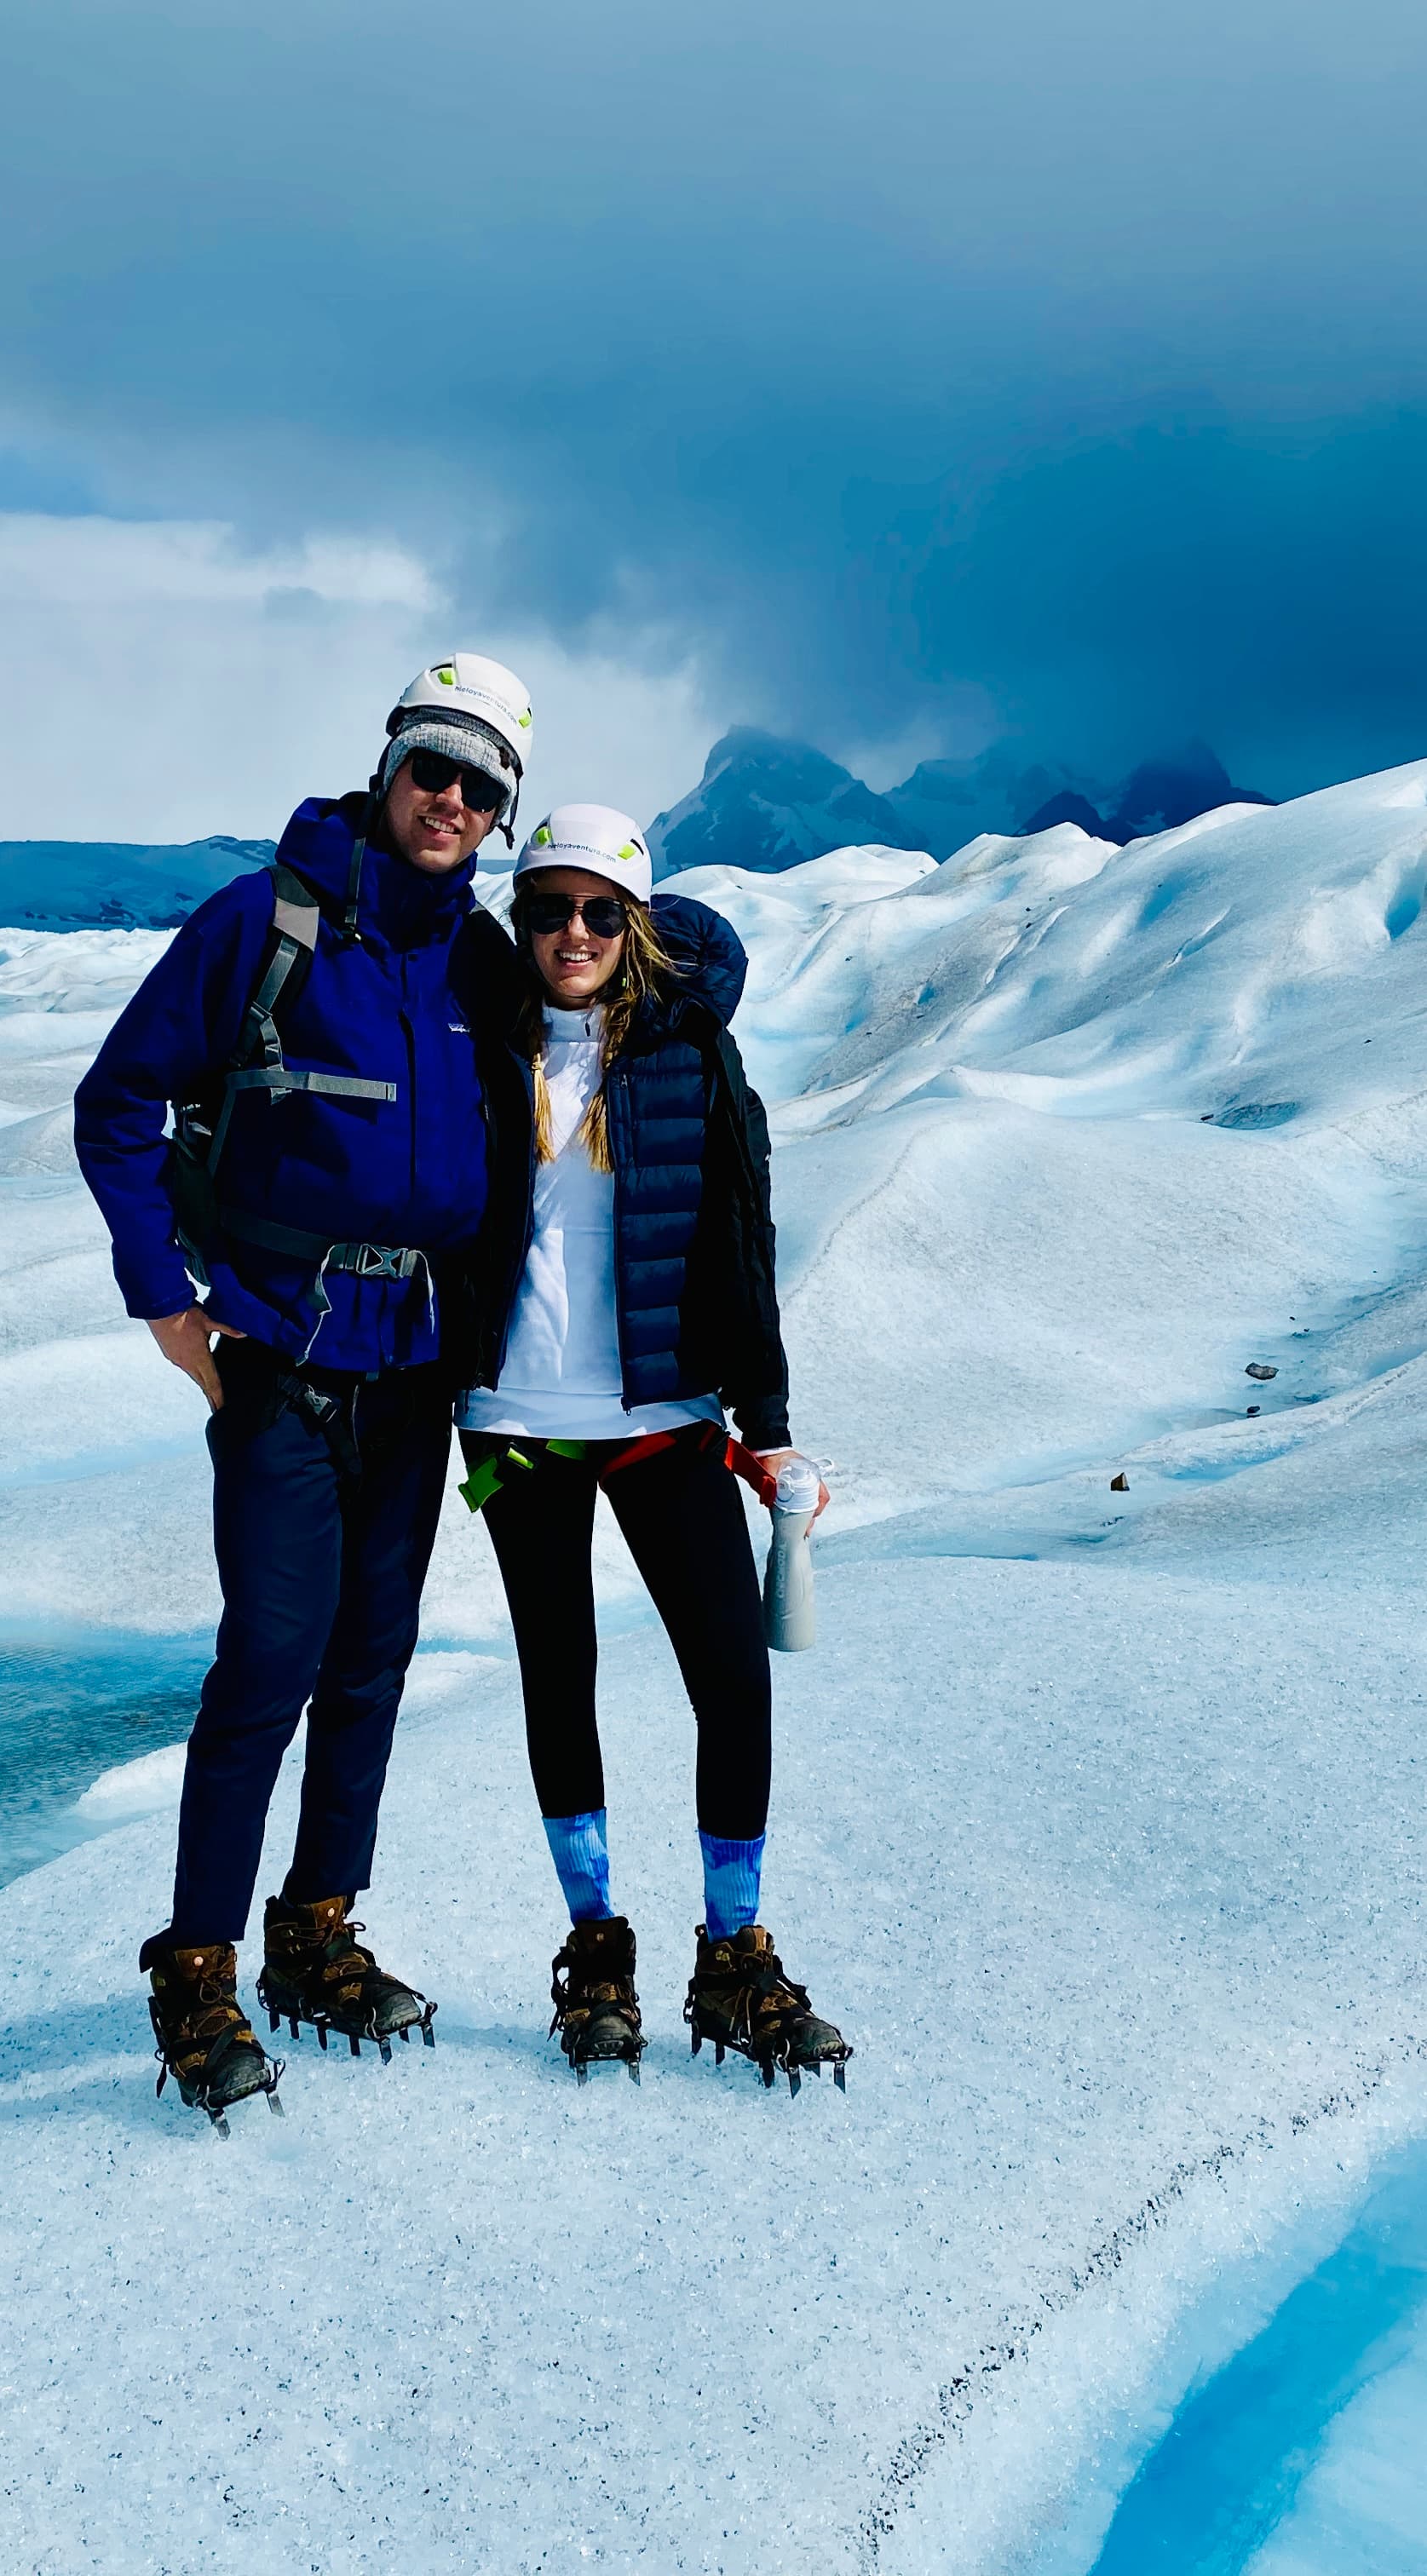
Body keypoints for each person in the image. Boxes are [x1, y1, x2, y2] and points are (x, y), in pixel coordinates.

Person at [74, 654, 533, 2130]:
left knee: (372, 1662)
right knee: (269, 1663)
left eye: (481, 785)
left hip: (414, 1368)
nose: (451, 800)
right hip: (278, 1349)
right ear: (389, 762)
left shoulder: (477, 960)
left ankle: (315, 1935)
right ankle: (196, 1968)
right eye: (433, 768)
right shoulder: (266, 922)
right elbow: (117, 1104)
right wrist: (165, 1300)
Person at [454, 802, 852, 2090]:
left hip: (664, 1416)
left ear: (634, 926)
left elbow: (741, 1235)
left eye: (596, 911)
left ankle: (733, 1952)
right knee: (556, 1679)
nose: (570, 932)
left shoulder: (689, 1050)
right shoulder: (475, 1042)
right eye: (546, 908)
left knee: (733, 1683)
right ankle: (597, 1946)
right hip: (515, 1423)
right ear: (520, 923)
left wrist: (769, 1426)